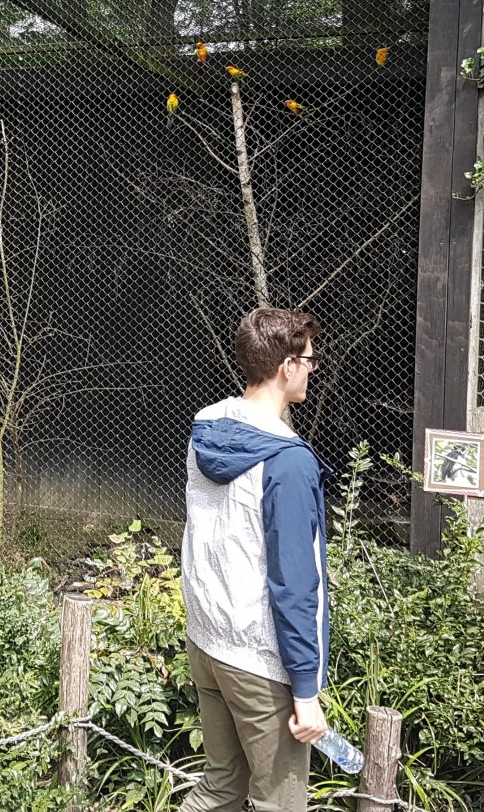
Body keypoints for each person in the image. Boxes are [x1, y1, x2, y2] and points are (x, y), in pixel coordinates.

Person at [180, 308, 331, 812]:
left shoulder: (207, 426)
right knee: (279, 803)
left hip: (207, 640)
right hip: (259, 660)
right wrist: (305, 690)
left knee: (220, 787)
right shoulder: (288, 462)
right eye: (309, 359)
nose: (313, 368)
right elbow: (294, 582)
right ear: (287, 366)